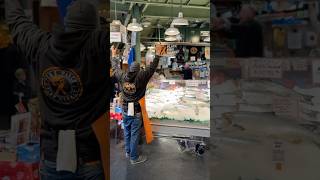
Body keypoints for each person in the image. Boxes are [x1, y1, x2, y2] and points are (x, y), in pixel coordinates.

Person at [6, 0, 110, 179]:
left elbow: (16, 20)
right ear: (94, 27)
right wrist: (102, 22)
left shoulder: (41, 46)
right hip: (91, 158)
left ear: (66, 23)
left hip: (52, 157)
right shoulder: (100, 47)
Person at [111, 46, 159, 165]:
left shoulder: (122, 76)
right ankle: (134, 157)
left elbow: (115, 67)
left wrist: (113, 54)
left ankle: (128, 152)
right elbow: (152, 68)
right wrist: (158, 55)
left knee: (127, 132)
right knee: (134, 134)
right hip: (136, 111)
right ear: (138, 71)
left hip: (125, 110)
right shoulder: (142, 77)